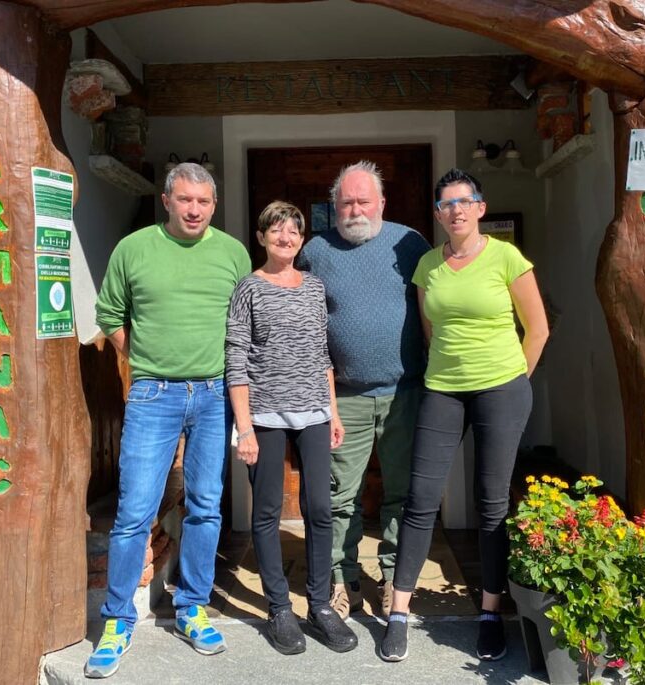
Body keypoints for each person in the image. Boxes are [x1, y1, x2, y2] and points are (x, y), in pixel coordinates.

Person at [85, 163, 250, 679]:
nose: (194, 209)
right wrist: (145, 365)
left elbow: (244, 324)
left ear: (214, 205)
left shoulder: (232, 253)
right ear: (166, 200)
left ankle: (192, 609)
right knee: (135, 510)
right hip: (153, 396)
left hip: (214, 393)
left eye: (203, 201)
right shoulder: (134, 249)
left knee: (204, 506)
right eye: (184, 200)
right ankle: (117, 620)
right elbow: (111, 315)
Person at [379, 168, 549, 663]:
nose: (455, 210)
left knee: (492, 502)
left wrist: (514, 381)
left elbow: (536, 329)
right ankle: (398, 614)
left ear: (480, 207)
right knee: (420, 498)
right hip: (443, 391)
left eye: (464, 200)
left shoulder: (506, 257)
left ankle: (491, 613)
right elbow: (431, 327)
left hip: (502, 389)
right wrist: (451, 369)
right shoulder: (428, 266)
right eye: (446, 203)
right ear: (437, 214)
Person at [296, 161, 431, 619]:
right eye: (346, 202)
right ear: (334, 206)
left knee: (402, 492)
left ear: (381, 204)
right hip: (345, 396)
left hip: (405, 391)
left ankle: (395, 576)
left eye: (363, 201)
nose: (355, 210)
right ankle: (342, 579)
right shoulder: (316, 251)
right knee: (340, 496)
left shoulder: (411, 243)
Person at [225, 201, 359, 655]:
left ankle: (319, 605)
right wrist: (243, 428)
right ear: (261, 237)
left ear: (302, 239)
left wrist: (334, 411)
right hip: (264, 416)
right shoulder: (249, 288)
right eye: (276, 230)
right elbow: (236, 358)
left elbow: (322, 353)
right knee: (265, 513)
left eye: (293, 231)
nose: (285, 237)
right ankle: (279, 608)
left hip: (315, 414)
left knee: (320, 509)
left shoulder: (313, 287)